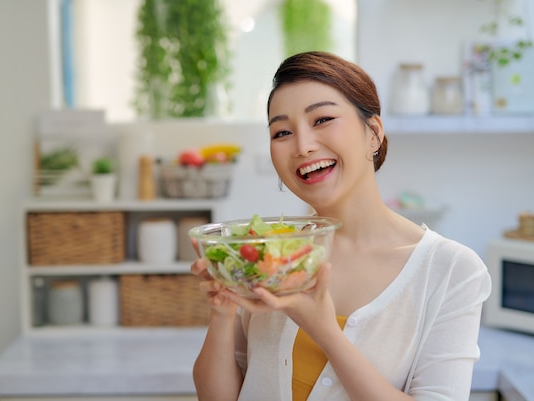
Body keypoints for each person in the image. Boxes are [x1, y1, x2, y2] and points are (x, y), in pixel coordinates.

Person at [190, 51, 492, 401]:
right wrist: (222, 311)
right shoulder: (267, 254)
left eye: (322, 120)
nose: (303, 146)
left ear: (374, 133)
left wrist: (323, 329)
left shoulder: (452, 270)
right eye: (282, 132)